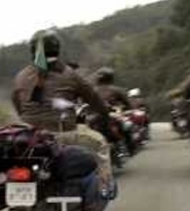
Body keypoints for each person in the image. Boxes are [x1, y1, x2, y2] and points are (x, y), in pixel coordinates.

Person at [12, 29, 117, 201]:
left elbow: (17, 104)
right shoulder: (69, 73)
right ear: (57, 48)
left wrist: (29, 119)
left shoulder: (21, 75)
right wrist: (105, 114)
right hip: (62, 133)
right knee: (100, 143)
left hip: (30, 137)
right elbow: (93, 98)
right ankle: (105, 186)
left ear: (33, 50)